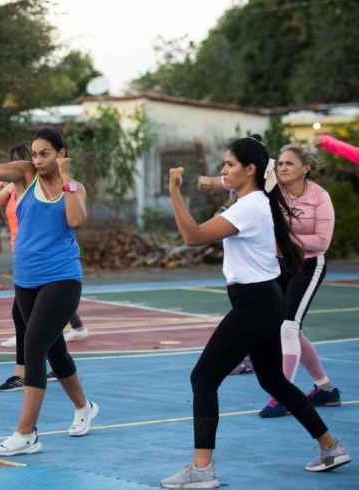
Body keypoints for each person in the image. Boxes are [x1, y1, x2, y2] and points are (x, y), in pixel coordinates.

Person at [161, 135, 350, 488]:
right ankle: (330, 446)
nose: (224, 170)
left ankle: (202, 469)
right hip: (263, 302)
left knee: (202, 378)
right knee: (274, 380)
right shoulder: (253, 201)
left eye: (230, 164)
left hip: (255, 304)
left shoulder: (250, 207)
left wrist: (175, 192)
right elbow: (223, 201)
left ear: (250, 170)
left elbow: (193, 236)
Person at [0, 128, 98, 456]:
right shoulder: (24, 176)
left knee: (33, 345)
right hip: (26, 280)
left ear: (61, 153)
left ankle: (26, 434)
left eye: (45, 153)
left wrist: (67, 177)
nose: (38, 159)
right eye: (35, 154)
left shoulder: (74, 188)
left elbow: (75, 219)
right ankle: (84, 406)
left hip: (62, 278)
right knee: (54, 350)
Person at [197, 145, 341, 417]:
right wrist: (210, 182)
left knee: (288, 325)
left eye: (290, 164)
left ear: (305, 168)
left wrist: (282, 242)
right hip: (277, 265)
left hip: (309, 264)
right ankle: (324, 388)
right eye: (281, 164)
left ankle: (282, 394)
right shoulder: (270, 194)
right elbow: (238, 175)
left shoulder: (319, 197)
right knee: (289, 329)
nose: (283, 168)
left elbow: (322, 241)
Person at [0, 143, 87, 392]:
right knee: (46, 332)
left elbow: (74, 219)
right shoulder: (13, 187)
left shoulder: (46, 187)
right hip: (24, 262)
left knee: (32, 329)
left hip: (51, 264)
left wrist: (65, 178)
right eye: (9, 162)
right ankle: (67, 382)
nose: (12, 167)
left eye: (17, 161)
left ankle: (23, 375)